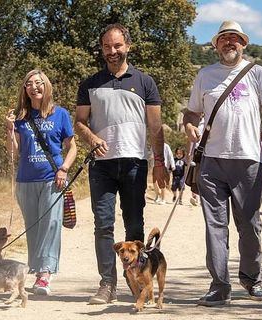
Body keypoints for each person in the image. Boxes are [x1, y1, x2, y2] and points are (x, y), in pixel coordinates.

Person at [183, 21, 262, 306]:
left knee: (250, 225)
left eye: (235, 38)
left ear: (243, 44)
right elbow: (191, 114)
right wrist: (189, 127)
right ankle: (219, 285)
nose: (230, 43)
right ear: (215, 45)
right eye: (224, 38)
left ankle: (252, 279)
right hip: (212, 163)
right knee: (215, 226)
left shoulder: (258, 73)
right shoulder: (205, 75)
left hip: (248, 161)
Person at [75, 23, 168, 304]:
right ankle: (107, 285)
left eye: (117, 46)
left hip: (134, 163)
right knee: (103, 225)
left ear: (127, 46)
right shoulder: (90, 83)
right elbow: (79, 122)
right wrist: (91, 139)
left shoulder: (144, 82)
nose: (112, 51)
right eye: (106, 46)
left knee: (134, 224)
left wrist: (160, 162)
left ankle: (136, 281)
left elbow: (155, 126)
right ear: (102, 49)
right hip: (101, 165)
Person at [5, 69, 76, 295]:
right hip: (26, 180)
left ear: (46, 86)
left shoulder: (60, 114)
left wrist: (64, 168)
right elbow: (13, 152)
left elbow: (72, 147)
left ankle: (45, 274)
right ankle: (36, 270)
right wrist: (9, 130)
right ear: (25, 89)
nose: (34, 87)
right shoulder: (20, 117)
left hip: (52, 179)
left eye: (38, 83)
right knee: (33, 227)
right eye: (29, 84)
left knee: (51, 225)